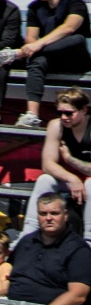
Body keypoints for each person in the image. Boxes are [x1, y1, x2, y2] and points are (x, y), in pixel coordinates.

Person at [16, 0, 90, 128]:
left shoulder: (75, 2)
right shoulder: (34, 7)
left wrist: (37, 45)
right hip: (52, 58)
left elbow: (69, 28)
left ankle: (18, 54)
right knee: (36, 59)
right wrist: (32, 47)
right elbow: (30, 38)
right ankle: (32, 115)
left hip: (75, 59)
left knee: (78, 39)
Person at [6, 193, 91, 305]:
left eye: (54, 213)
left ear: (65, 215)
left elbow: (78, 296)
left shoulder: (79, 249)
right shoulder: (26, 242)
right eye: (43, 214)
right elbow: (8, 276)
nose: (48, 218)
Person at [32, 87, 91, 220]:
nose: (64, 117)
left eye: (69, 113)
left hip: (89, 181)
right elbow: (47, 165)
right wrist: (72, 178)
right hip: (71, 179)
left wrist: (70, 159)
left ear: (84, 110)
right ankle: (31, 228)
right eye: (60, 113)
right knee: (44, 180)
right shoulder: (56, 126)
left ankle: (89, 232)